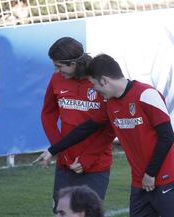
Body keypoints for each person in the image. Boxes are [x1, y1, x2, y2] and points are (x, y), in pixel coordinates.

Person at [34, 54, 174, 217]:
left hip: (165, 178)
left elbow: (167, 137)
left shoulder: (146, 95)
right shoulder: (110, 104)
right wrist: (53, 150)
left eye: (94, 85)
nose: (94, 90)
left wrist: (151, 173)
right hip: (139, 182)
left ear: (105, 81)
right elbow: (85, 129)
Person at [39, 37, 115, 213]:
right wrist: (59, 149)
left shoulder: (99, 81)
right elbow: (48, 114)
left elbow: (110, 126)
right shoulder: (56, 79)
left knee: (88, 214)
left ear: (73, 63)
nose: (56, 71)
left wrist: (88, 159)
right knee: (62, 212)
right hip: (65, 163)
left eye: (59, 66)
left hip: (96, 164)